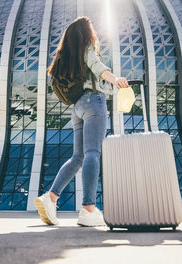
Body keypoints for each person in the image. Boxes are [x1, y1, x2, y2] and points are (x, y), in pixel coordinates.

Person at [34, 17, 128, 226]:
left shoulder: (65, 55)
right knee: (92, 153)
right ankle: (88, 208)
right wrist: (116, 79)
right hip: (93, 102)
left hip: (77, 107)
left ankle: (50, 198)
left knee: (78, 157)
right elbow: (97, 66)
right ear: (86, 34)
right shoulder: (86, 49)